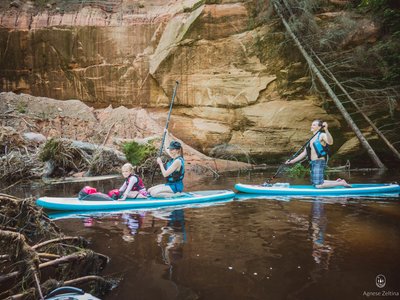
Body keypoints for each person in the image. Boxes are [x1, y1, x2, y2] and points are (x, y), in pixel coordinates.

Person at [286, 120, 352, 189]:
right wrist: (292, 161)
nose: (312, 126)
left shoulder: (322, 135)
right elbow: (304, 153)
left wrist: (326, 130)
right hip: (313, 163)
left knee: (318, 185)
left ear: (319, 127)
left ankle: (341, 183)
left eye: (314, 125)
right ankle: (337, 181)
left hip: (319, 161)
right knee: (315, 183)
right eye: (312, 124)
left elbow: (330, 142)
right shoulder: (310, 140)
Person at [148, 129, 185, 198]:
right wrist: (166, 135)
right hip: (170, 184)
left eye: (172, 150)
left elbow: (165, 174)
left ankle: (176, 195)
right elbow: (166, 147)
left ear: (177, 150)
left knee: (154, 194)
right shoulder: (174, 156)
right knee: (149, 190)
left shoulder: (177, 161)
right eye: (170, 149)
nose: (170, 151)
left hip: (176, 186)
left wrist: (160, 163)